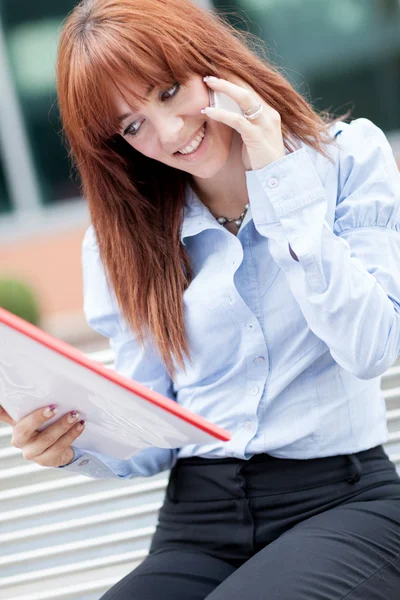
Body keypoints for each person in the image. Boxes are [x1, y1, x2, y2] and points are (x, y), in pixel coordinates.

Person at [2, 0, 400, 597]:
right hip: (198, 519)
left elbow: (369, 347)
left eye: (167, 91)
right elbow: (147, 434)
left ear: (212, 62)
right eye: (131, 126)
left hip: (340, 501)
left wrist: (280, 184)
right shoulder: (125, 241)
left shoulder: (346, 160)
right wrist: (67, 440)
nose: (168, 134)